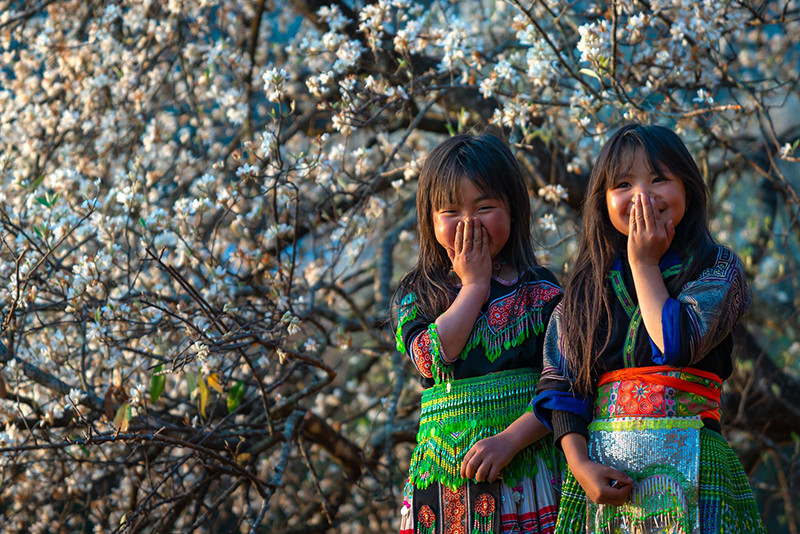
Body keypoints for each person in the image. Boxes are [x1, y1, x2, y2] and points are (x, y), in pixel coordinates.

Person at [532, 123, 766, 533]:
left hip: (697, 465)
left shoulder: (716, 267)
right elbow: (562, 385)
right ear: (603, 201)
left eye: (659, 179)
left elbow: (676, 343)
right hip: (606, 475)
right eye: (623, 184)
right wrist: (581, 464)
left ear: (688, 189)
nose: (642, 196)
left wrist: (643, 264)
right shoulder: (587, 289)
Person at [394, 132, 564, 534]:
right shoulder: (420, 292)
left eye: (485, 207)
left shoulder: (540, 292)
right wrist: (473, 287)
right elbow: (432, 357)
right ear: (430, 220)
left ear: (513, 210)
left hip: (529, 470)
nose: (469, 223)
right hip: (445, 482)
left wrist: (508, 441)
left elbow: (564, 386)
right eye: (450, 211)